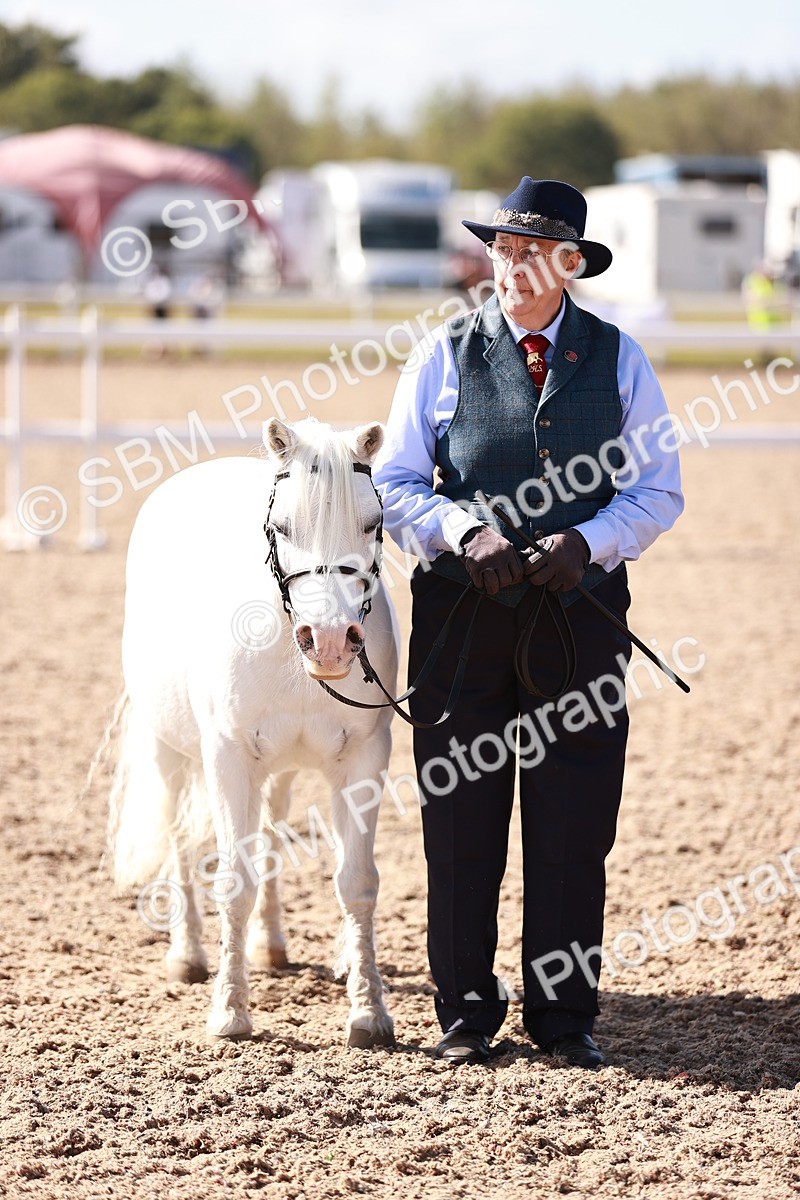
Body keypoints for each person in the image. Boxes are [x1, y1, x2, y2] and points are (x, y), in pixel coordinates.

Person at [373, 177, 684, 1069]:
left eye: (527, 254)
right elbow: (394, 485)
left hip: (579, 626)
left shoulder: (621, 359)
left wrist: (589, 542)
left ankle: (564, 1016)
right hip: (460, 626)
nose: (506, 269)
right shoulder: (441, 353)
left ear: (571, 266)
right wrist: (463, 531)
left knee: (573, 822)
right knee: (462, 820)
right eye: (501, 252)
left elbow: (658, 490)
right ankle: (466, 1011)